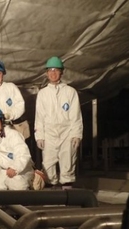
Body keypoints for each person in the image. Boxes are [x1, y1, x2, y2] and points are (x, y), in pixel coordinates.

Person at [34, 56, 83, 189]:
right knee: (48, 166)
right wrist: (40, 136)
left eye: (56, 70)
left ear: (61, 72)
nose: (53, 73)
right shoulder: (43, 94)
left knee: (68, 165)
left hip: (67, 133)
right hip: (49, 134)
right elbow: (39, 117)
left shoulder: (70, 92)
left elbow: (76, 115)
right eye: (50, 70)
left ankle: (68, 198)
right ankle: (52, 200)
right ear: (46, 73)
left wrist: (76, 134)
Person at [0, 107, 34, 190]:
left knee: (16, 185)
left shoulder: (13, 134)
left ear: (2, 122)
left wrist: (15, 168)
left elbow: (24, 155)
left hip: (22, 171)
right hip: (5, 172)